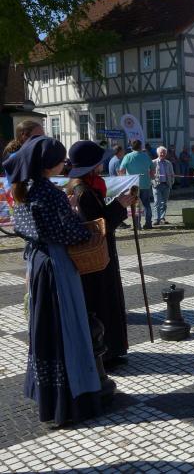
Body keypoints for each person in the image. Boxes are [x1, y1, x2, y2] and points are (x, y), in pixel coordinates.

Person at [3, 137, 101, 425]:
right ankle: (70, 401)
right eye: (61, 160)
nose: (65, 164)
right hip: (56, 265)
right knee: (66, 327)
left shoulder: (25, 189)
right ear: (49, 165)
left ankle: (49, 398)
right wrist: (77, 219)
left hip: (37, 263)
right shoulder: (50, 193)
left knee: (45, 328)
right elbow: (71, 234)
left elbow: (34, 228)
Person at [66, 141, 135, 366]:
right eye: (99, 162)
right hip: (94, 260)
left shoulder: (89, 186)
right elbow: (96, 227)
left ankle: (112, 351)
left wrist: (118, 204)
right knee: (102, 302)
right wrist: (119, 205)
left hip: (102, 255)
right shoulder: (82, 191)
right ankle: (103, 354)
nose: (102, 165)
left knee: (109, 299)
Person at [120, 140, 155, 230]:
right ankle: (148, 223)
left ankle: (137, 225)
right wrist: (151, 178)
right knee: (146, 204)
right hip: (145, 183)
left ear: (131, 147)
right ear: (140, 146)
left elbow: (122, 170)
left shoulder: (128, 156)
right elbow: (152, 168)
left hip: (133, 185)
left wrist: (124, 180)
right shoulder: (146, 155)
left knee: (135, 205)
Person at [152, 146, 175, 225]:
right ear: (158, 153)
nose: (162, 154)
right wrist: (152, 182)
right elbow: (150, 173)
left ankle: (162, 218)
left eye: (164, 153)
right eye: (161, 153)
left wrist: (171, 182)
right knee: (157, 202)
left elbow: (172, 173)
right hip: (157, 185)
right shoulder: (153, 162)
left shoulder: (168, 163)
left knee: (164, 203)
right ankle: (156, 219)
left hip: (166, 185)